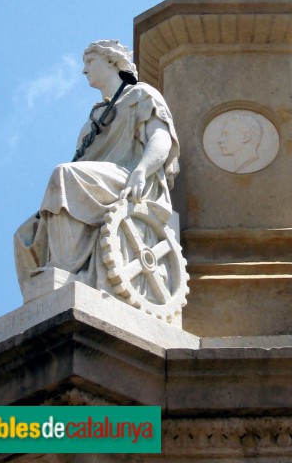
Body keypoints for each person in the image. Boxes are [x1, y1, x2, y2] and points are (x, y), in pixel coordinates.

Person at [14, 40, 180, 294]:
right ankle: (42, 289)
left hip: (127, 176)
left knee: (64, 174)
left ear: (112, 61)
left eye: (90, 62)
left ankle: (64, 269)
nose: (84, 70)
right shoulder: (93, 120)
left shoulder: (141, 95)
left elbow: (161, 138)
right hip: (96, 181)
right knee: (26, 234)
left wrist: (141, 170)